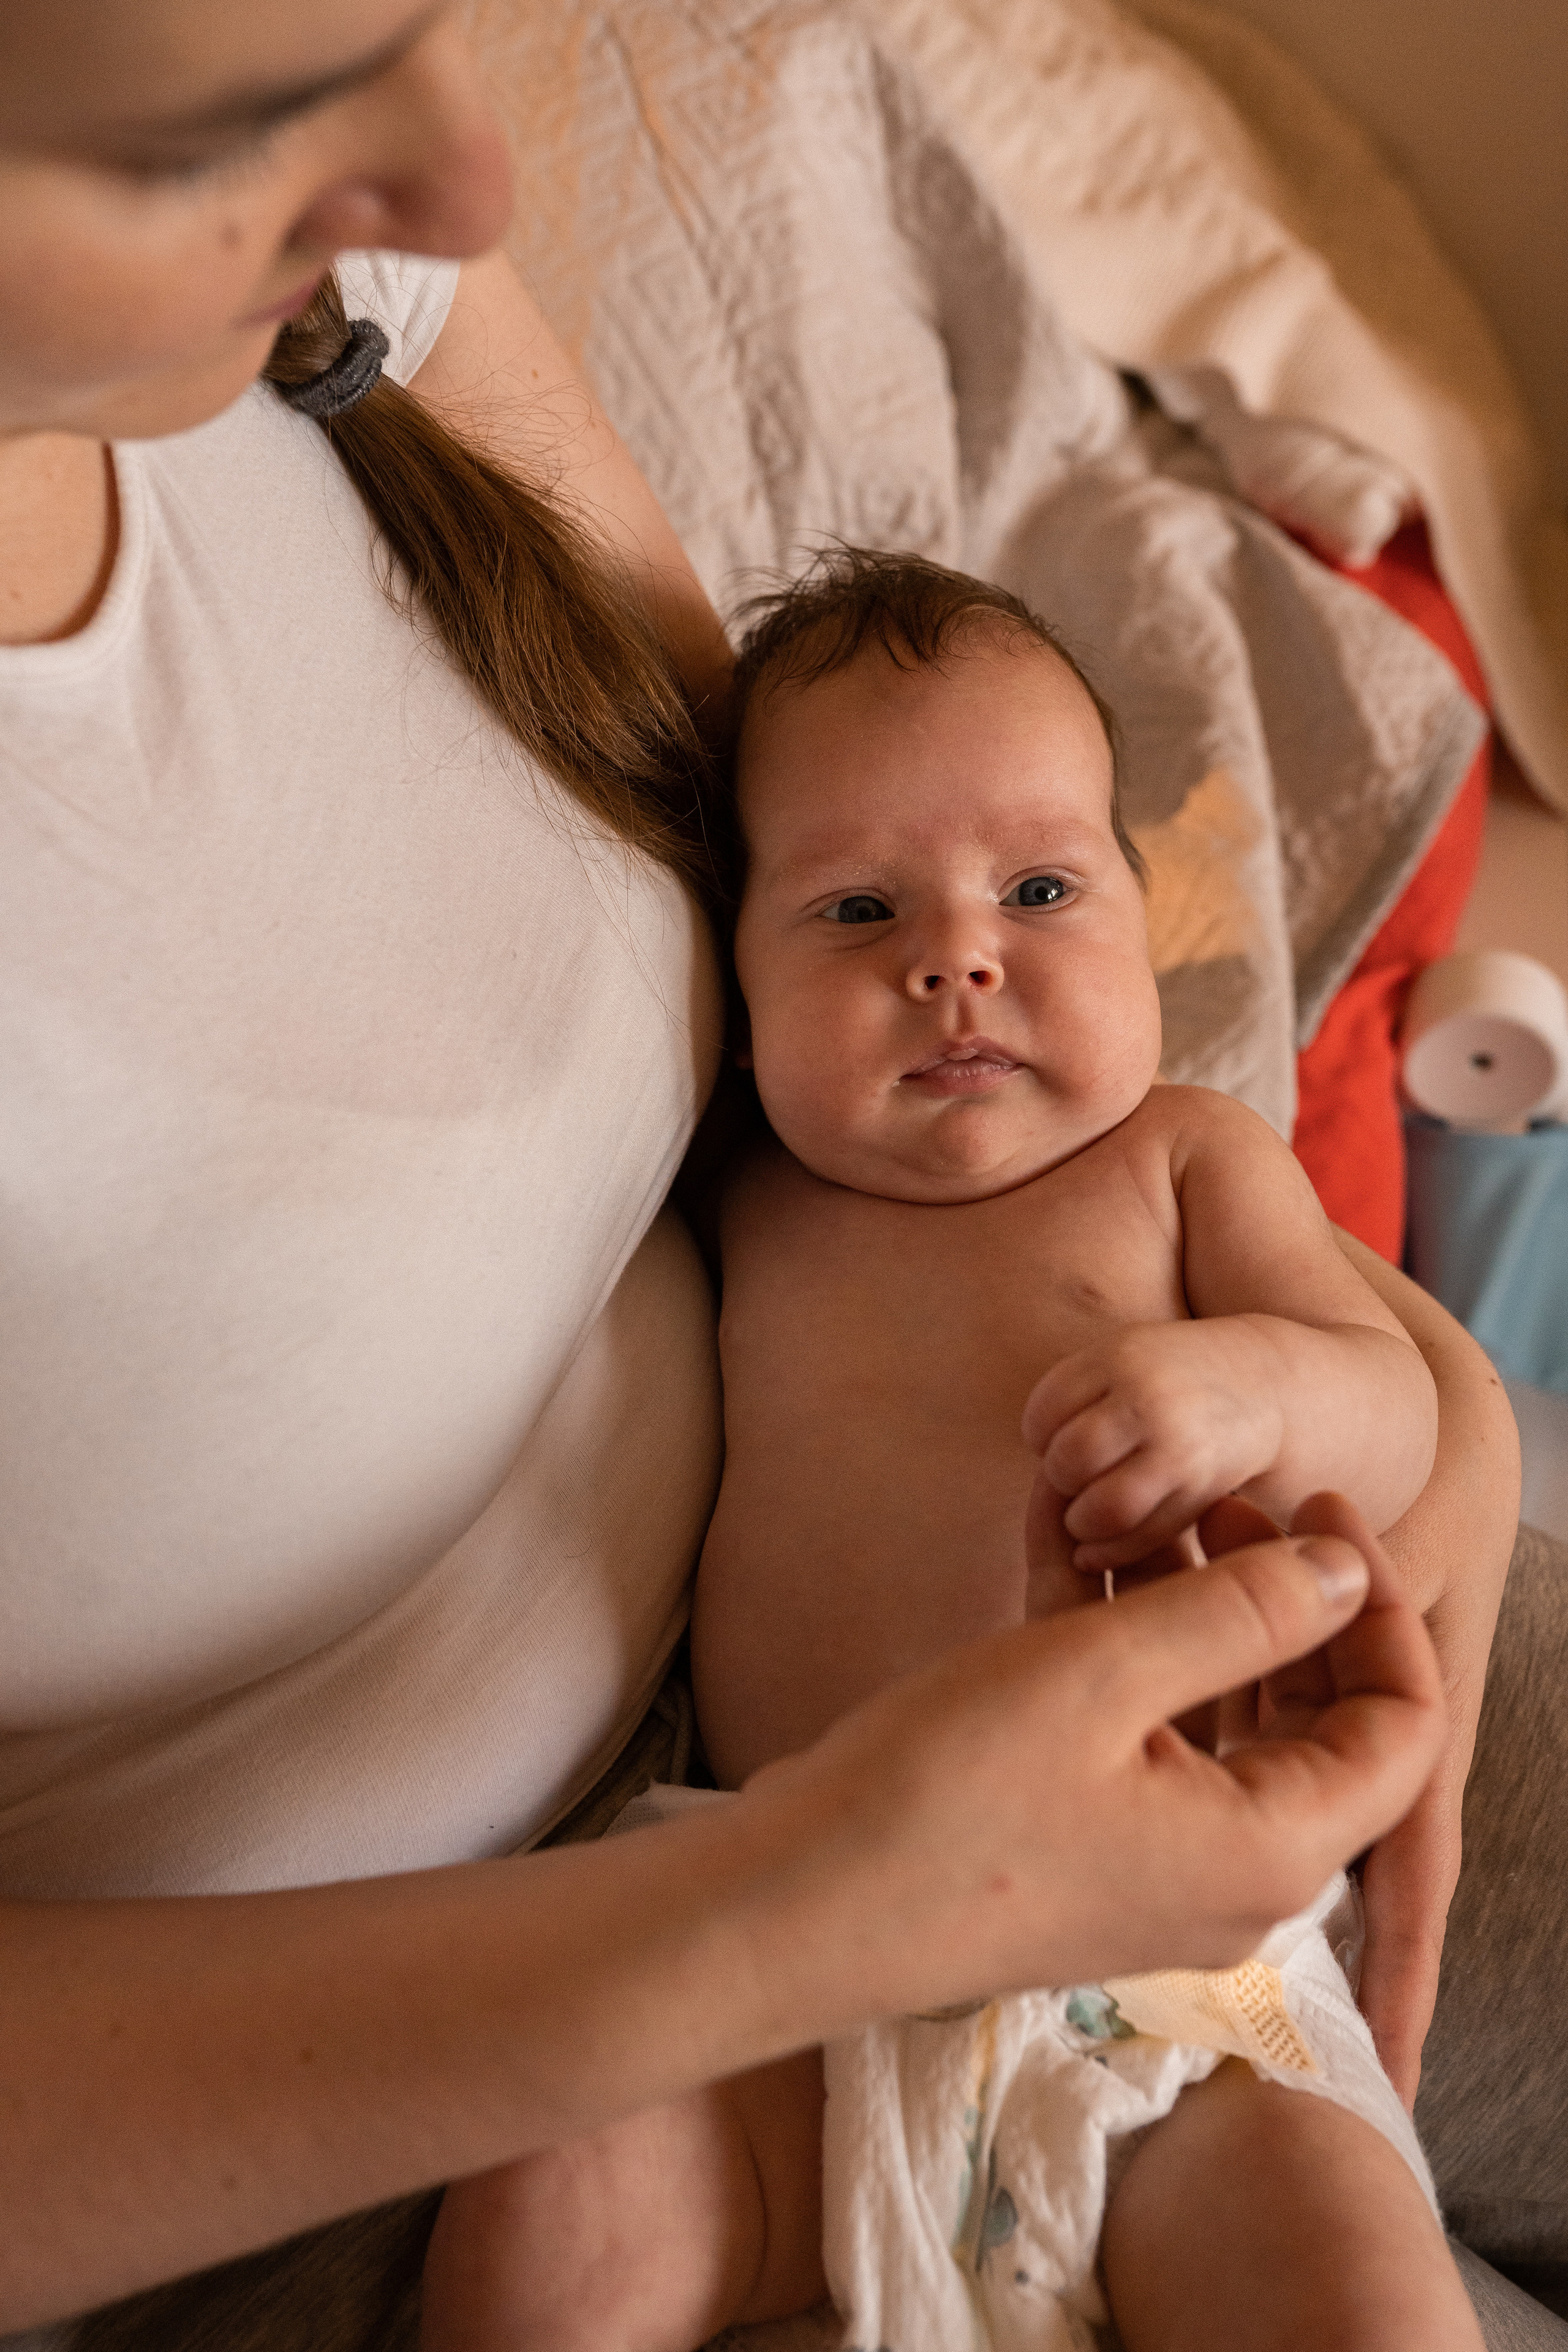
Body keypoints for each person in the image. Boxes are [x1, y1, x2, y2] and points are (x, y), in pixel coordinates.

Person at [0, 4, 1551, 2348]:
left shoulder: (337, 296)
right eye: (223, 131)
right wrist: (817, 1905)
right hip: (477, 2003)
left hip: (1161, 1815)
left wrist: (1409, 1401)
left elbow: (821, 816)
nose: (469, 186)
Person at [420, 551, 1480, 2351]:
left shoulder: (1190, 1159)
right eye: (853, 914)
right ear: (732, 1006)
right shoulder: (736, 1208)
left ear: (1151, 924)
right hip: (799, 1929)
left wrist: (1249, 1391)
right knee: (564, 2183)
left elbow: (1395, 1406)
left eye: (1045, 888)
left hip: (1184, 1978)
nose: (957, 956)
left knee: (1354, 2291)